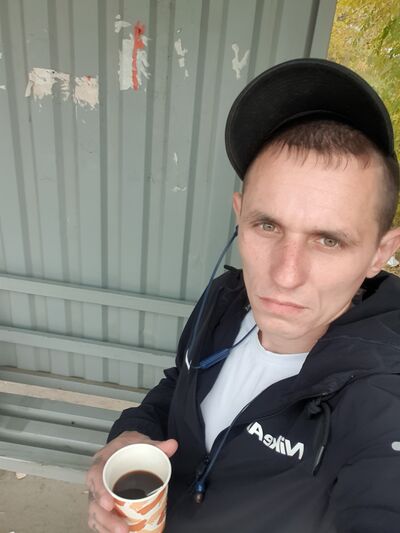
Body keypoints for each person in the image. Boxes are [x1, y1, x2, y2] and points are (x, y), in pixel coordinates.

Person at [86, 58, 400, 533]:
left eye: (328, 240)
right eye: (267, 225)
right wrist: (132, 435)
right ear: (240, 215)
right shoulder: (226, 299)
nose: (285, 275)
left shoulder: (382, 402)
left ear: (380, 252)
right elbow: (178, 384)